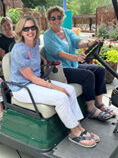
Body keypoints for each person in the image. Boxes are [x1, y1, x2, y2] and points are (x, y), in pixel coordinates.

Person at [10, 16, 99, 147]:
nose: (30, 31)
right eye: (26, 29)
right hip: (23, 88)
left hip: (35, 82)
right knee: (61, 97)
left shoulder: (34, 43)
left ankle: (79, 127)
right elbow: (32, 78)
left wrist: (42, 59)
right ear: (20, 31)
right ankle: (74, 132)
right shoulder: (18, 49)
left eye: (32, 27)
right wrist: (56, 88)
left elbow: (32, 55)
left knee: (70, 89)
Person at [43, 6, 116, 122]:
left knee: (99, 70)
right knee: (88, 75)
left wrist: (89, 44)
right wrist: (76, 57)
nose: (56, 20)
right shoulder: (48, 35)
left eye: (59, 17)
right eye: (53, 18)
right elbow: (59, 53)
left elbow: (78, 42)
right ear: (49, 20)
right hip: (60, 70)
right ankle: (91, 109)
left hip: (72, 65)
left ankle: (99, 103)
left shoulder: (67, 32)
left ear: (63, 18)